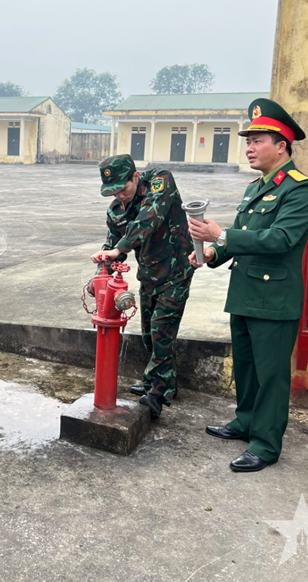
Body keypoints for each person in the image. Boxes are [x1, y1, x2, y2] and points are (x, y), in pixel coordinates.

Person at [188, 98, 308, 473]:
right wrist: (213, 252)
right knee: (245, 368)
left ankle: (265, 444)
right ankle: (245, 422)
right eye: (248, 141)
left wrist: (222, 235)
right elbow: (243, 235)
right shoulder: (255, 188)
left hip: (274, 299)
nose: (249, 148)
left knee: (271, 375)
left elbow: (280, 239)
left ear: (282, 146)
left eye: (258, 140)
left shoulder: (300, 190)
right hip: (245, 293)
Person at [91, 154, 195, 419]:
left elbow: (149, 218)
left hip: (176, 270)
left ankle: (157, 394)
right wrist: (99, 277)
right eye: (112, 192)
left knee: (162, 330)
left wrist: (120, 249)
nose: (119, 196)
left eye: (122, 189)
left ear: (135, 177)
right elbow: (110, 245)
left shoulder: (160, 182)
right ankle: (161, 382)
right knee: (149, 332)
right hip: (149, 274)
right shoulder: (116, 211)